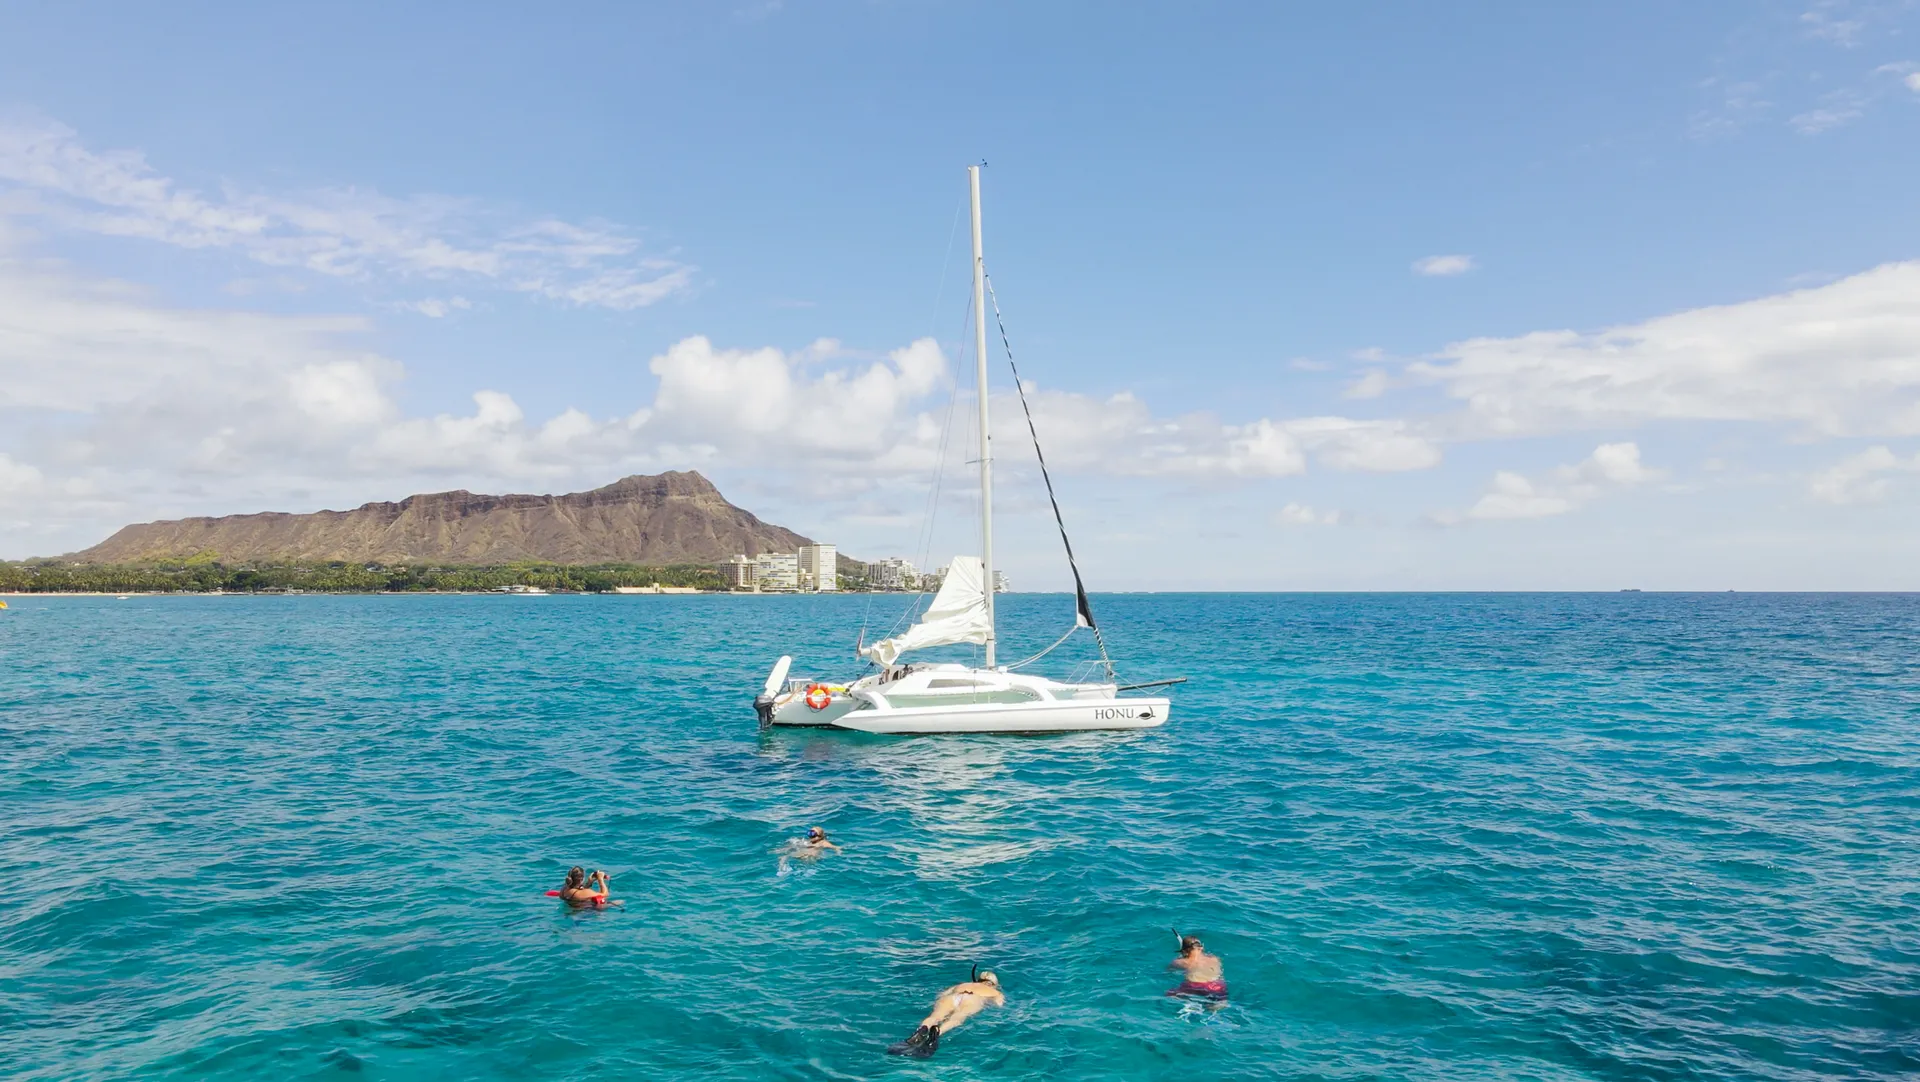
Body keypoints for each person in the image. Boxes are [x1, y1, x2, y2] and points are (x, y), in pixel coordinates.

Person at [888, 969, 1003, 1058]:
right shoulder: (995, 992)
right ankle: (937, 1032)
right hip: (973, 999)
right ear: (993, 984)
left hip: (954, 995)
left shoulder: (962, 985)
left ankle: (922, 1029)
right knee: (957, 1018)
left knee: (935, 1016)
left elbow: (942, 995)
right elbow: (999, 1005)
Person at [1167, 935, 1227, 1002]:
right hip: (1217, 986)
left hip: (1195, 987)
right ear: (1201, 947)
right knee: (1217, 1005)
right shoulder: (1214, 959)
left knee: (1170, 994)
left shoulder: (1184, 962)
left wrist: (1182, 956)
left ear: (1185, 950)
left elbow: (1169, 969)